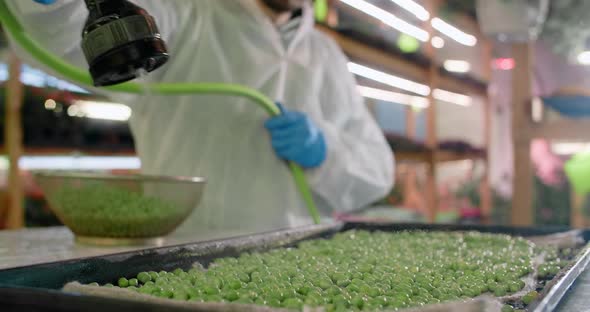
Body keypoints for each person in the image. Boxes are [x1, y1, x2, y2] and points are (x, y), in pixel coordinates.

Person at [7, 0, 394, 237]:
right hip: (185, 254)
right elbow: (83, 35)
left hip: (299, 257)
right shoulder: (188, 13)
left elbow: (377, 170)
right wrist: (52, 6)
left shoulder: (325, 55)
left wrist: (326, 151)